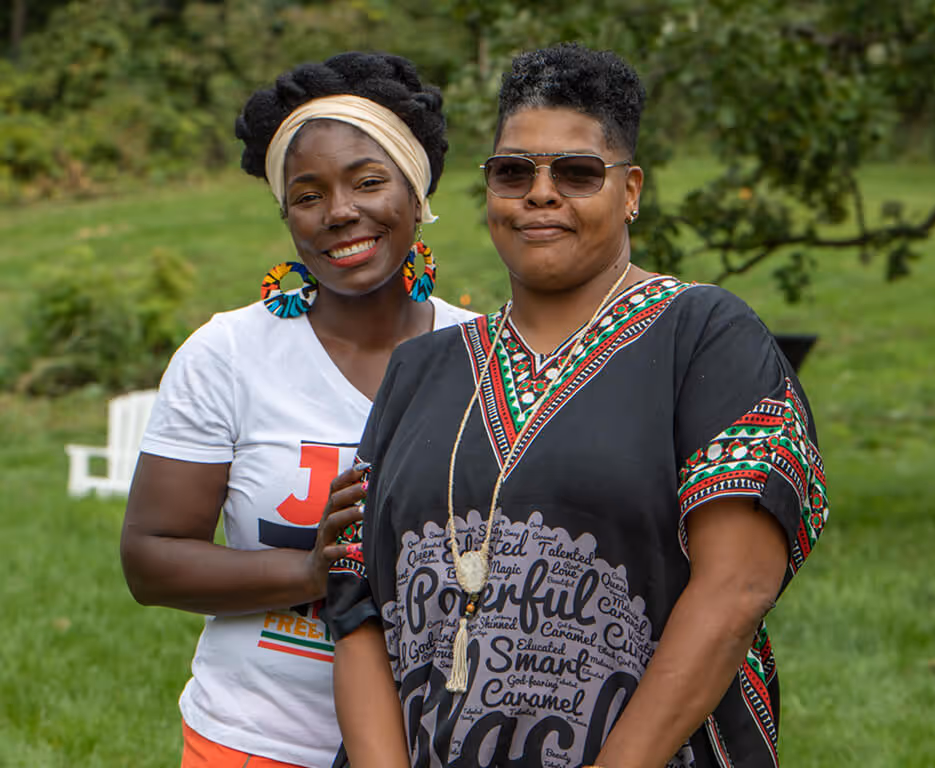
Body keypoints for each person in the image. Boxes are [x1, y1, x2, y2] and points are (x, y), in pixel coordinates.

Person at [325, 42, 829, 768]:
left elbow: (737, 588)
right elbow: (358, 605)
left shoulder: (705, 337)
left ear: (630, 190)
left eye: (577, 172)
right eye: (512, 172)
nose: (540, 193)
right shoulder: (422, 369)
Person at [120, 52, 476, 768]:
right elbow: (151, 559)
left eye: (368, 182)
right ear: (286, 214)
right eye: (307, 194)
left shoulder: (480, 357)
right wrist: (307, 574)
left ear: (418, 191)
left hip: (443, 739)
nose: (340, 211)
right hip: (256, 740)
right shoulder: (228, 353)